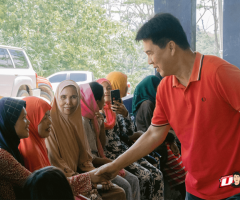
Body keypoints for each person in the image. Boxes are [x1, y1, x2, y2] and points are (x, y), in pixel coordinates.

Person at [94, 13, 240, 200]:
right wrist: (113, 167)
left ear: (171, 47)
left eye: (150, 52)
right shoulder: (164, 87)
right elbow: (154, 135)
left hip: (232, 186)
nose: (149, 61)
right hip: (196, 188)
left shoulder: (218, 72)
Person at [0, 97, 104, 200]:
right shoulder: (3, 156)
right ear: (9, 121)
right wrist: (90, 178)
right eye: (23, 118)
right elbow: (41, 185)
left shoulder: (13, 149)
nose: (28, 122)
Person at [45, 80, 126, 200]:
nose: (68, 102)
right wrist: (90, 181)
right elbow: (58, 165)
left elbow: (85, 160)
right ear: (56, 98)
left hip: (78, 175)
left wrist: (98, 176)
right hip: (63, 180)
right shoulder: (50, 125)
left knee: (119, 191)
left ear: (79, 99)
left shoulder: (76, 122)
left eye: (73, 97)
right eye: (63, 97)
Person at [97, 77, 164, 200]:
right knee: (145, 177)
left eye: (109, 88)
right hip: (110, 156)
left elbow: (128, 133)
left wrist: (125, 114)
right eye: (103, 88)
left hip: (124, 150)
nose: (106, 91)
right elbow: (100, 144)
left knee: (157, 174)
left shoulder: (115, 110)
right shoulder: (96, 114)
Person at [80, 82, 140, 200]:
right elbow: (93, 156)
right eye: (103, 96)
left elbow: (103, 144)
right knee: (128, 184)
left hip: (110, 156)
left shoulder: (93, 118)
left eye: (109, 88)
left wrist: (124, 114)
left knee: (136, 179)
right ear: (96, 101)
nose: (105, 98)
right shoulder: (84, 121)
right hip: (98, 163)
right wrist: (112, 163)